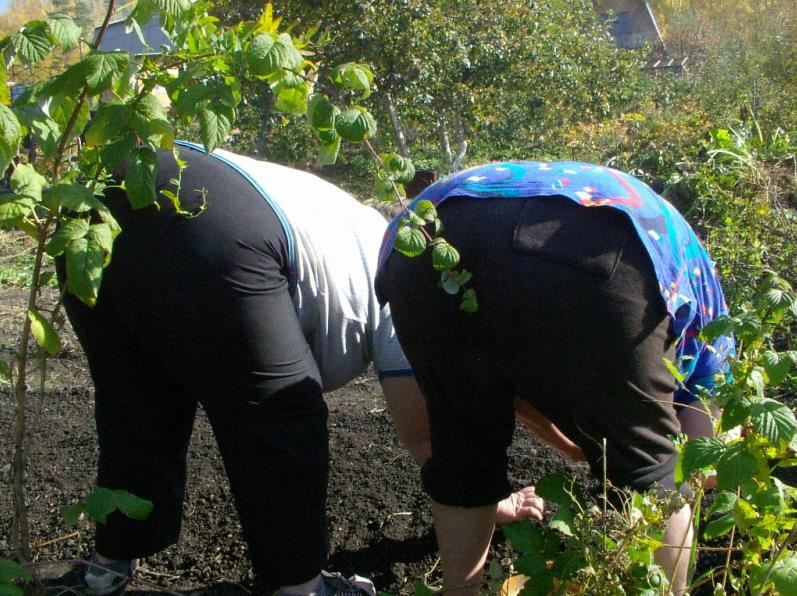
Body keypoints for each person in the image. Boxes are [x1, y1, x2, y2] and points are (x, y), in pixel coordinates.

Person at [61, 142, 539, 596]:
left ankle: (107, 569)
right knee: (281, 415)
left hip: (104, 198)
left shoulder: (350, 220)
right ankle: (304, 587)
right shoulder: (407, 276)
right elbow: (428, 440)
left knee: (137, 403)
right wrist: (487, 502)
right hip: (217, 220)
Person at [375, 161, 735, 595]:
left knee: (463, 446)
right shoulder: (716, 343)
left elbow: (514, 379)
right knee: (653, 472)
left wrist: (577, 441)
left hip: (425, 234)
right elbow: (699, 455)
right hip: (599, 241)